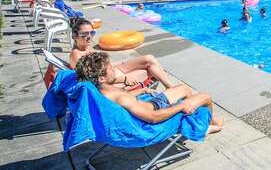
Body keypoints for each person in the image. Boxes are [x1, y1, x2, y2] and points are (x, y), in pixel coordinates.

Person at [75, 51, 223, 132]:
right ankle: (203, 126)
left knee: (184, 88)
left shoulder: (101, 91)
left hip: (146, 104)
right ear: (101, 78)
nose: (115, 69)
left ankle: (194, 119)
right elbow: (153, 118)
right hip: (155, 108)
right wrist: (181, 106)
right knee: (205, 97)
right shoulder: (118, 96)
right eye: (111, 69)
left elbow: (121, 101)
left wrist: (140, 91)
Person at [68, 18, 174, 89]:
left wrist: (122, 62)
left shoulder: (86, 47)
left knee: (149, 59)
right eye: (84, 34)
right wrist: (124, 79)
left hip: (113, 70)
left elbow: (101, 66)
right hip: (112, 79)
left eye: (92, 33)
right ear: (74, 36)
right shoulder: (76, 55)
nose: (89, 37)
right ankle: (170, 88)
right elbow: (95, 79)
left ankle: (170, 87)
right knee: (150, 70)